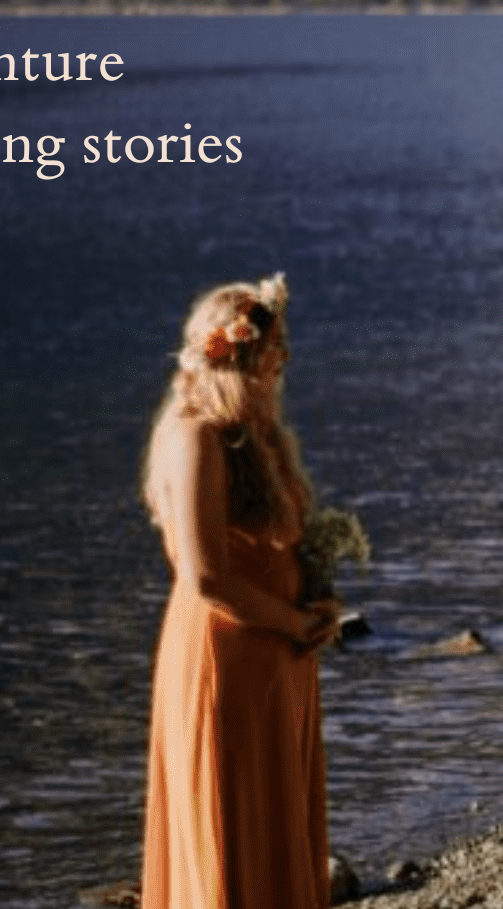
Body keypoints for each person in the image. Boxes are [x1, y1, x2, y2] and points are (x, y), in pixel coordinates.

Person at [141, 273, 344, 909]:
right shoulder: (198, 433)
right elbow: (204, 574)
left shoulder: (246, 431)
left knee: (275, 821)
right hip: (227, 656)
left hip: (272, 653)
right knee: (236, 824)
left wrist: (317, 602)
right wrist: (290, 621)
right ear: (240, 353)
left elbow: (268, 546)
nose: (285, 358)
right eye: (275, 345)